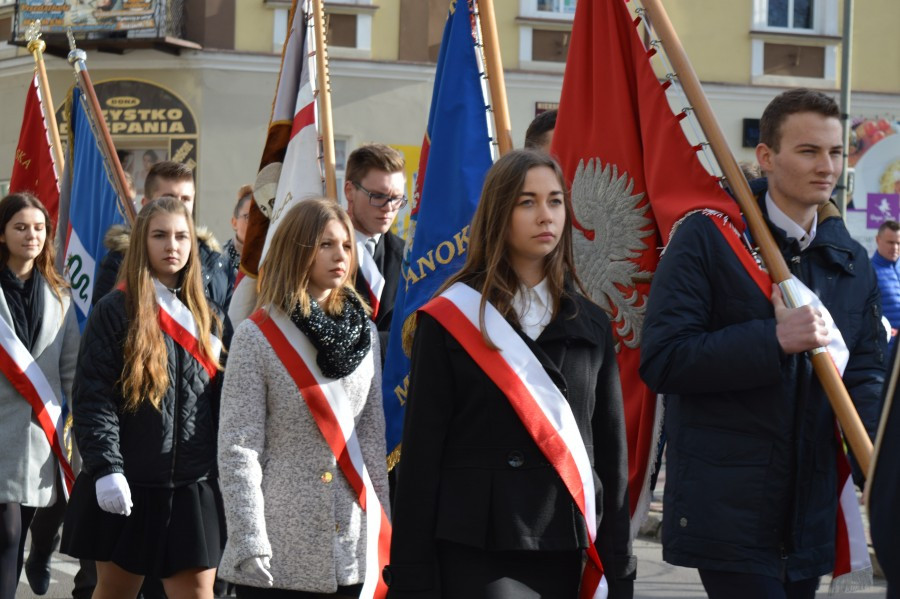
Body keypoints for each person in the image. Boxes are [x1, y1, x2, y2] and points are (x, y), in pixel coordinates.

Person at [640, 88, 886, 599]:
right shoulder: (707, 238)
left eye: (836, 152)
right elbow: (665, 359)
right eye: (808, 151)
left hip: (811, 509)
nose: (827, 166)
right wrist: (772, 339)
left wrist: (877, 462)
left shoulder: (849, 259)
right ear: (766, 157)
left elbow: (864, 373)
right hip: (729, 505)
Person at [384, 150, 635, 598]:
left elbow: (611, 456)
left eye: (555, 201)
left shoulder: (592, 324)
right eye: (527, 202)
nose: (546, 216)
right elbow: (421, 456)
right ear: (499, 212)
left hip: (566, 536)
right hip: (477, 541)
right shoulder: (450, 319)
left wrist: (619, 566)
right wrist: (410, 569)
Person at [218, 198, 389, 597]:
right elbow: (239, 448)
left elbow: (372, 436)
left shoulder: (364, 334)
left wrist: (381, 528)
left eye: (346, 245)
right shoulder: (257, 335)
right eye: (326, 244)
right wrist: (249, 537)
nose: (340, 255)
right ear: (297, 248)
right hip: (280, 545)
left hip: (351, 542)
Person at [61, 197, 227, 599]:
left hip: (193, 485)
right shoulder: (114, 311)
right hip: (129, 482)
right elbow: (94, 398)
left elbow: (224, 403)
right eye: (160, 235)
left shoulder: (211, 316)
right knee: (115, 592)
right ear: (142, 243)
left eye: (182, 236)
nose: (173, 245)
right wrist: (106, 468)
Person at [0, 193, 79, 599]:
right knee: (8, 532)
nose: (31, 235)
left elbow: (70, 370)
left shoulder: (60, 296)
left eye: (38, 227)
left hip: (37, 439)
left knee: (18, 532)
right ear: (2, 233)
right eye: (20, 227)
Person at [93, 160, 232, 310]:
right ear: (146, 203)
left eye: (185, 199)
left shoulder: (216, 261)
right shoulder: (119, 261)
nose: (178, 206)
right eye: (168, 198)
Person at [344, 143, 406, 351]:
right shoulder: (316, 251)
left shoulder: (410, 257)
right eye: (378, 196)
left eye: (396, 199)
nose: (389, 208)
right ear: (350, 191)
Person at [872, 220, 900, 343]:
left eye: (898, 243)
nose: (895, 247)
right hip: (884, 349)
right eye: (890, 242)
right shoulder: (868, 271)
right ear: (878, 240)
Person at [224, 185, 253, 281]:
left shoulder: (273, 259)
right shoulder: (218, 260)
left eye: (260, 218)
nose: (254, 223)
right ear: (234, 222)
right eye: (248, 217)